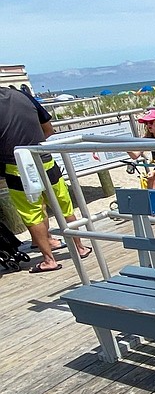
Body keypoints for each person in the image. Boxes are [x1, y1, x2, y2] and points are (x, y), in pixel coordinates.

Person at [0, 86, 93, 273]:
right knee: (63, 205)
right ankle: (80, 247)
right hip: (44, 158)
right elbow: (48, 129)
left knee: (31, 213)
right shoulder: (22, 96)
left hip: (16, 165)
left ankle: (49, 259)